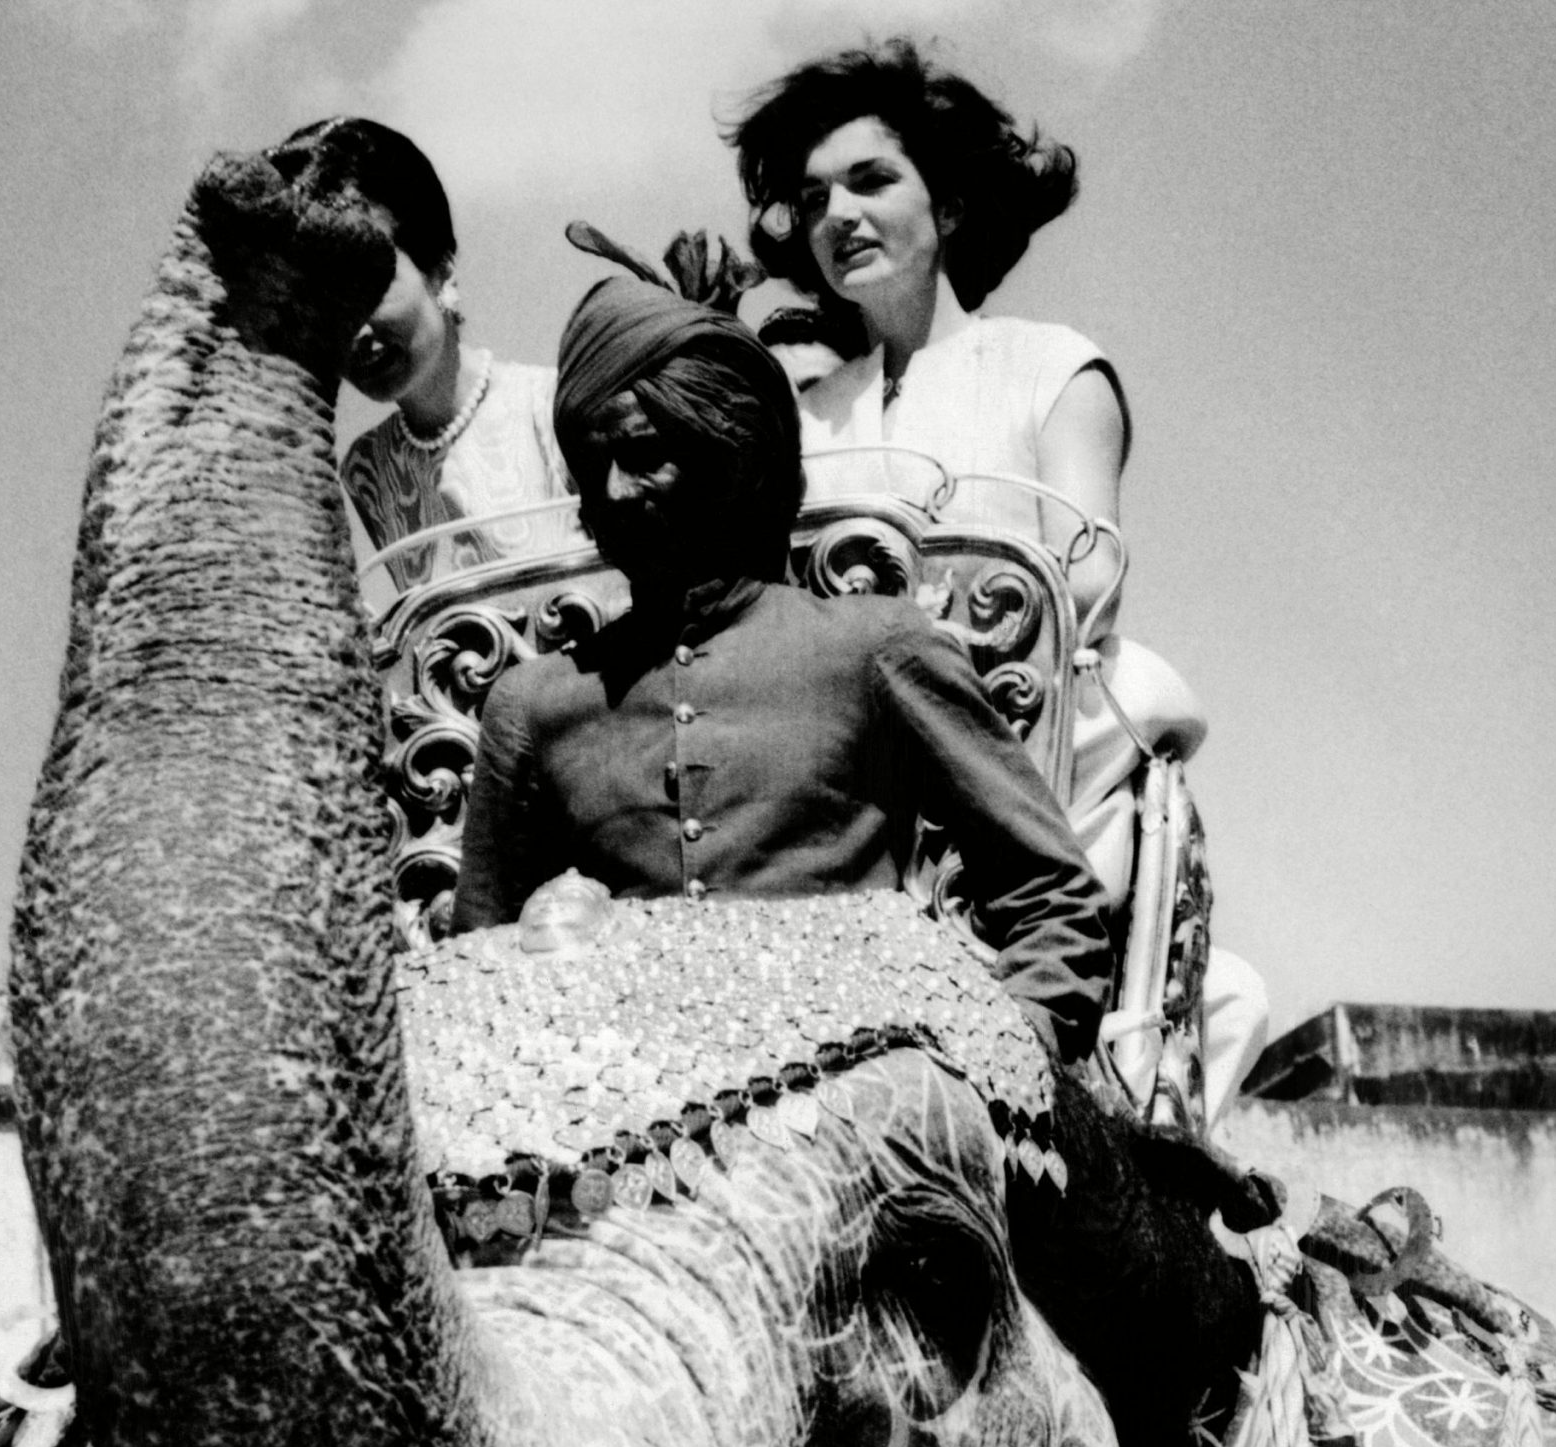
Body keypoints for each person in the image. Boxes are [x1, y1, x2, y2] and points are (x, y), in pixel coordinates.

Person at [729, 43, 1268, 1122]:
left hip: (1027, 752)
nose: (836, 212)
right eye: (813, 196)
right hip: (837, 775)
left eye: (870, 180)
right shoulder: (798, 417)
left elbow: (1080, 590)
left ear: (953, 200)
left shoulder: (1053, 369)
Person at [450, 271, 1114, 1069]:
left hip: (860, 1096)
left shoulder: (875, 648)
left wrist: (996, 1068)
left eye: (644, 456)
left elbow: (1053, 898)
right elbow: (478, 972)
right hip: (615, 1110)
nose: (614, 493)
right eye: (591, 472)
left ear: (730, 460)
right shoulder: (534, 702)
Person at [269, 120, 572, 592]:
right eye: (325, 303)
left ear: (442, 272)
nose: (354, 332)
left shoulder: (556, 406)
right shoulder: (367, 468)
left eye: (369, 285)